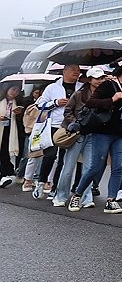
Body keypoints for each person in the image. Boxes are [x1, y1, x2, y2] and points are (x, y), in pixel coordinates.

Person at [71, 57, 122, 214]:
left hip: (121, 132)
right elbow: (91, 102)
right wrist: (111, 100)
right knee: (95, 166)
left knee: (118, 167)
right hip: (103, 131)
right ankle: (78, 194)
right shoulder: (109, 84)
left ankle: (111, 200)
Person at [56, 66, 108, 209]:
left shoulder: (104, 94)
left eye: (102, 78)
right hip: (77, 133)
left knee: (89, 167)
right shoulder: (79, 94)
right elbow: (68, 110)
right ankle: (61, 196)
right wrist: (74, 123)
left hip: (93, 134)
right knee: (69, 166)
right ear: (90, 79)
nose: (100, 81)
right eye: (97, 78)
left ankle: (86, 197)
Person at [33, 64, 83, 199]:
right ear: (64, 71)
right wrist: (55, 102)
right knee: (50, 155)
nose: (76, 73)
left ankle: (56, 187)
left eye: (78, 71)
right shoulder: (52, 87)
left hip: (71, 126)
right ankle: (41, 182)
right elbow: (39, 105)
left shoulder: (81, 87)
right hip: (54, 125)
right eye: (73, 70)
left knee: (63, 160)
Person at [0, 84, 22, 188]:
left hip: (8, 129)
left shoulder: (16, 103)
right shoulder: (1, 100)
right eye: (13, 89)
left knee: (4, 151)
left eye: (17, 91)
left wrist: (18, 114)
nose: (14, 92)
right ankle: (5, 173)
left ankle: (4, 174)